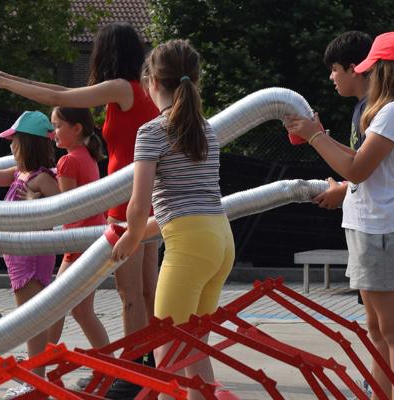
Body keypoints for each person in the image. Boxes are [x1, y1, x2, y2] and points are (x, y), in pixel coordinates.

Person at [0, 24, 161, 371]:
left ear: (108, 53)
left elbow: (60, 98)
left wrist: (4, 83)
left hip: (125, 201)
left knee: (130, 294)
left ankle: (135, 370)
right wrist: (5, 76)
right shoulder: (139, 90)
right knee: (147, 293)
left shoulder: (122, 88)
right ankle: (147, 361)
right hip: (145, 198)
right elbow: (64, 92)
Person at [284, 31, 394, 400]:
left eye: (372, 67)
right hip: (376, 227)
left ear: (387, 68)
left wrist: (317, 137)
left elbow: (357, 170)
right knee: (379, 330)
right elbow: (358, 164)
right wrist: (318, 135)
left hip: (389, 228)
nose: (367, 74)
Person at [111, 39, 233, 400]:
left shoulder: (152, 132)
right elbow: (184, 208)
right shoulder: (206, 130)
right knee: (194, 351)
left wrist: (131, 237)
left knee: (167, 357)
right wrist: (137, 233)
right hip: (220, 240)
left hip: (190, 246)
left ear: (151, 83)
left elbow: (139, 203)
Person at [0, 111, 59, 399]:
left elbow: (63, 209)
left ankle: (35, 382)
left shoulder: (42, 178)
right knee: (29, 318)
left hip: (31, 256)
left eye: (14, 142)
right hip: (18, 256)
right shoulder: (19, 175)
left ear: (28, 144)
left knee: (30, 320)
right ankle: (36, 379)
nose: (10, 147)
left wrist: (35, 201)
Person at [44, 107, 110, 350]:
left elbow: (66, 207)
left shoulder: (68, 161)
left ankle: (38, 360)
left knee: (55, 304)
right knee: (81, 311)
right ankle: (109, 364)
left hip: (78, 242)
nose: (54, 132)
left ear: (77, 128)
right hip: (92, 239)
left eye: (58, 125)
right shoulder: (87, 156)